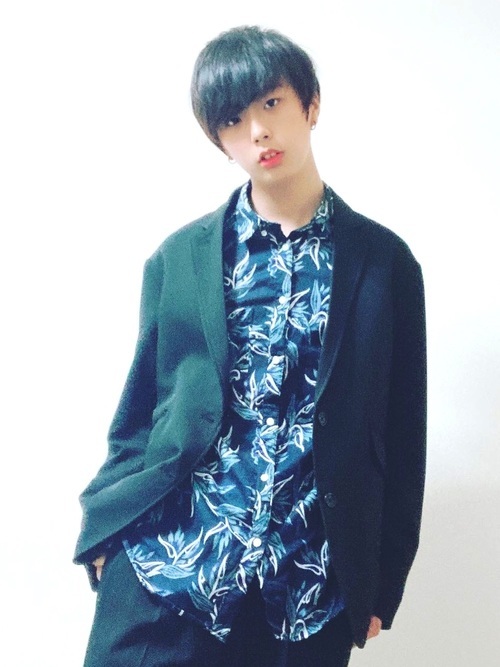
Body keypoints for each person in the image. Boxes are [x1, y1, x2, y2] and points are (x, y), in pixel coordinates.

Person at [75, 25, 426, 667]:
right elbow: (141, 411)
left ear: (311, 105)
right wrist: (106, 525)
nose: (258, 132)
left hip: (305, 587)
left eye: (272, 104)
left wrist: (385, 578)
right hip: (169, 566)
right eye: (233, 120)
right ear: (219, 140)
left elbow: (403, 434)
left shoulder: (384, 265)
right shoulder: (179, 259)